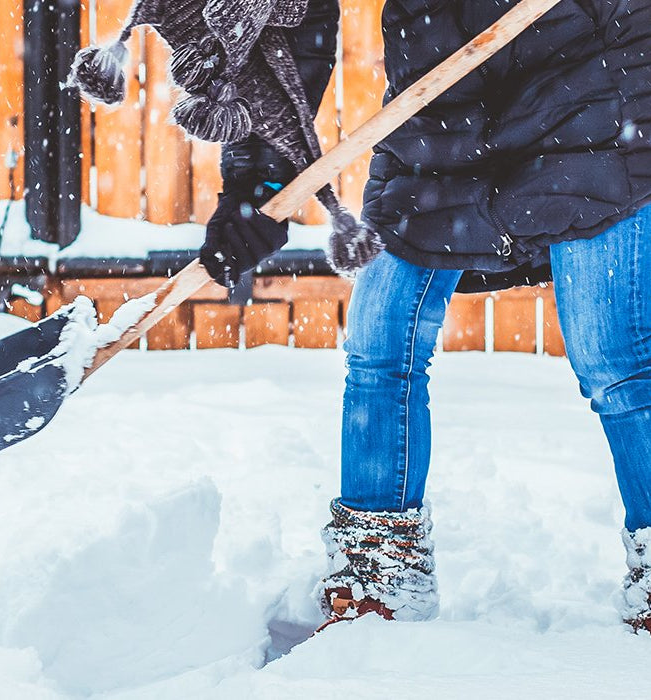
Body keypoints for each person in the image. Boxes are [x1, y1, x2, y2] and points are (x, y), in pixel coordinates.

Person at [73, 0, 651, 633]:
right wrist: (257, 185)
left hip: (595, 83)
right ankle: (380, 563)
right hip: (446, 102)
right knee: (380, 340)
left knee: (612, 356)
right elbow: (282, 23)